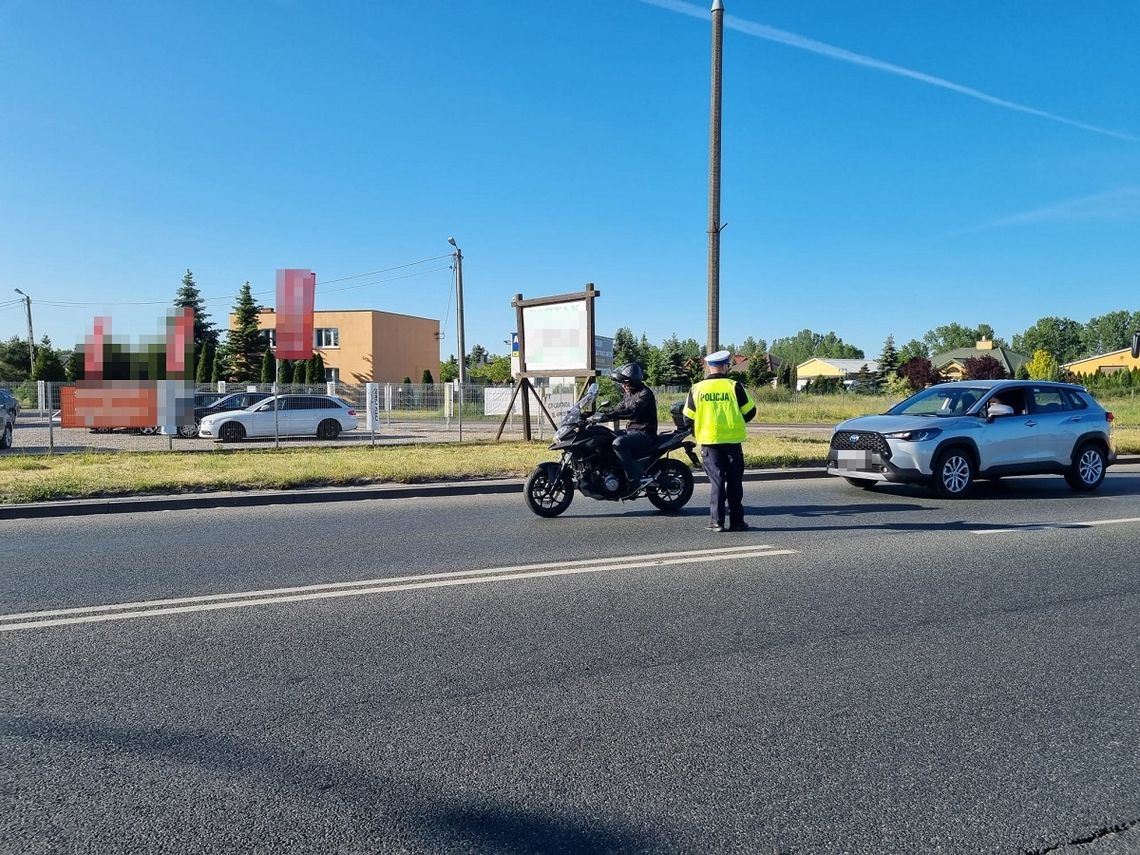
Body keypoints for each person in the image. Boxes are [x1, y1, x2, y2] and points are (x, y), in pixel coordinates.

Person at [683, 350, 756, 532]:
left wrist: (698, 429)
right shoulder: (734, 386)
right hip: (732, 441)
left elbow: (687, 418)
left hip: (709, 442)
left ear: (709, 367)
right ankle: (737, 522)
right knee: (734, 481)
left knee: (716, 481)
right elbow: (750, 411)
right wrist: (736, 422)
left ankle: (716, 522)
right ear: (725, 366)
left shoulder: (697, 388)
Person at [604, 362, 658, 496]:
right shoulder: (629, 393)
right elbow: (619, 408)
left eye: (625, 383)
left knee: (618, 443)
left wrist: (612, 415)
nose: (623, 386)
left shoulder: (645, 394)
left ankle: (634, 479)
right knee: (605, 436)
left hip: (645, 433)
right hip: (632, 431)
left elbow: (632, 411)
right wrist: (598, 414)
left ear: (632, 382)